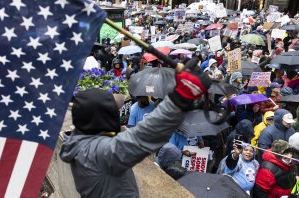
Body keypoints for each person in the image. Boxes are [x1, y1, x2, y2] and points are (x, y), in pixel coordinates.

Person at [59, 58, 212, 197]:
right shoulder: (100, 152)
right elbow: (144, 136)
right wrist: (184, 93)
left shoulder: (79, 142)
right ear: (101, 119)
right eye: (112, 111)